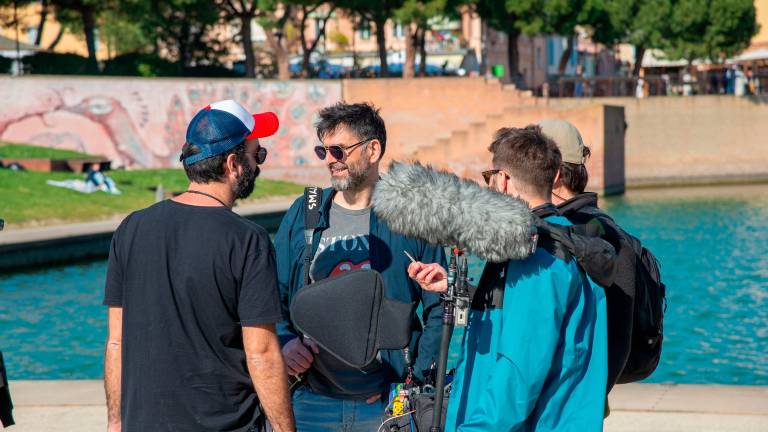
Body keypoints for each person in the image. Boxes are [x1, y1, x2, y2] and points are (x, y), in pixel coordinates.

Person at [103, 100, 295, 432]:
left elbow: (117, 341)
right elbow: (261, 352)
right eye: (257, 155)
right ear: (234, 164)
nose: (259, 164)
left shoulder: (131, 228)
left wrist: (115, 421)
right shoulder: (248, 240)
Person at [409, 125, 608, 431]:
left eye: (489, 178)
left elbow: (520, 371)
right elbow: (516, 317)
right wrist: (455, 287)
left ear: (503, 181)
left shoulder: (539, 254)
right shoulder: (556, 239)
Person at [274, 102, 445, 432]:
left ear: (373, 150)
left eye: (339, 150)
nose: (330, 161)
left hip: (388, 404)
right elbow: (273, 295)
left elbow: (439, 308)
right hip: (311, 401)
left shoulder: (413, 217)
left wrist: (413, 380)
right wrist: (285, 342)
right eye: (323, 151)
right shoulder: (303, 212)